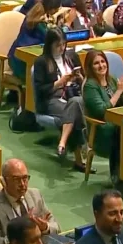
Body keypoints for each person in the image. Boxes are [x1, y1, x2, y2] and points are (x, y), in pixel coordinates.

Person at [33, 28, 87, 164]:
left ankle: (63, 144)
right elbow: (40, 91)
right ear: (49, 45)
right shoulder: (41, 62)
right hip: (51, 99)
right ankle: (80, 157)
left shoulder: (72, 56)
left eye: (64, 44)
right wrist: (59, 83)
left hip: (73, 96)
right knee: (75, 110)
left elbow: (86, 80)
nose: (62, 48)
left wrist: (80, 79)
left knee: (74, 104)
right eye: (58, 45)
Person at [0, 158, 58, 244]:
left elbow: (56, 226)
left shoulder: (36, 195)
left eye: (25, 178)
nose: (22, 184)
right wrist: (22, 232)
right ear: (4, 182)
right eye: (16, 179)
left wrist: (45, 227)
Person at [83, 50, 123, 183]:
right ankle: (117, 176)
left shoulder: (112, 80)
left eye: (103, 61)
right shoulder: (90, 86)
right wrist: (119, 91)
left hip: (117, 123)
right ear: (90, 67)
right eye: (96, 63)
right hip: (102, 130)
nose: (101, 65)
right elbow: (101, 111)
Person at [8, 0, 65, 80]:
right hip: (22, 61)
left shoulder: (34, 13)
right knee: (48, 71)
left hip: (16, 57)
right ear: (52, 9)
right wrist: (60, 24)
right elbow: (52, 38)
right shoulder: (40, 21)